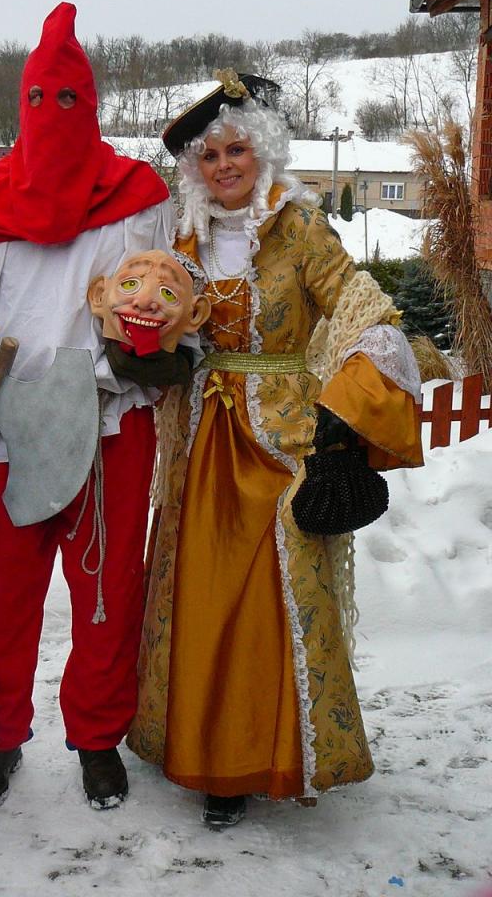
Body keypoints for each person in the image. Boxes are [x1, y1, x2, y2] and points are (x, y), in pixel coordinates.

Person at [126, 71, 424, 826]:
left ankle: (274, 750)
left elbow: (368, 313)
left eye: (236, 150)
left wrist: (346, 411)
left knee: (275, 598)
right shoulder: (180, 239)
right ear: (194, 168)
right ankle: (212, 761)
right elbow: (151, 315)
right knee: (203, 594)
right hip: (200, 442)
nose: (224, 165)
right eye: (209, 155)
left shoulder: (301, 229)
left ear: (262, 153)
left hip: (284, 440)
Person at [0, 2, 196, 812]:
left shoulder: (138, 196)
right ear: (19, 103)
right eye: (38, 99)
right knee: (1, 597)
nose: (51, 113)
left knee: (106, 593)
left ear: (90, 105)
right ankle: (0, 737)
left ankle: (97, 737)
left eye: (67, 99)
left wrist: (153, 355)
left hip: (107, 423)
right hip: (7, 430)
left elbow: (158, 293)